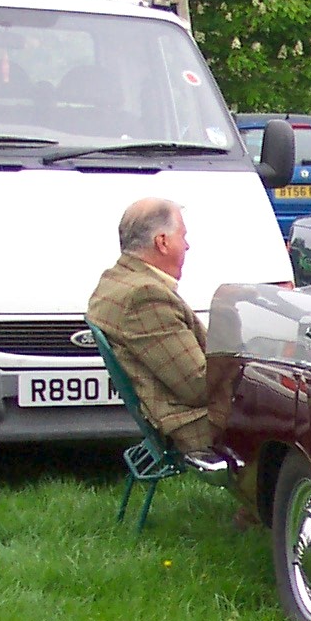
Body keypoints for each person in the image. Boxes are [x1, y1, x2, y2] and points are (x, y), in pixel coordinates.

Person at [87, 198, 228, 469]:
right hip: (192, 424)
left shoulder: (114, 280)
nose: (187, 245)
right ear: (162, 242)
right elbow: (199, 386)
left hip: (172, 413)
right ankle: (268, 509)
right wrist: (251, 370)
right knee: (298, 417)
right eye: (183, 236)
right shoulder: (146, 297)